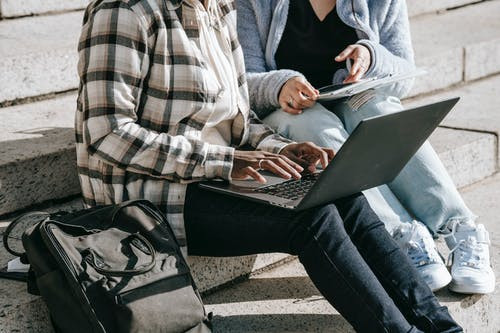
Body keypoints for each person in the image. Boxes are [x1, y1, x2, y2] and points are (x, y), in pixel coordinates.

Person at [75, 0, 463, 331]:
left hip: (219, 175)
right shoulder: (123, 11)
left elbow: (240, 119)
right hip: (150, 196)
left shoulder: (218, 9)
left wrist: (282, 148)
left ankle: (443, 326)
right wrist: (226, 161)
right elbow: (107, 134)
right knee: (313, 218)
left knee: (340, 191)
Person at [236, 0, 495, 294]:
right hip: (289, 110)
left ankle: (460, 227)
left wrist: (372, 57)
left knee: (381, 109)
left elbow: (404, 76)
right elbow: (241, 80)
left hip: (353, 98)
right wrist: (280, 85)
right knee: (316, 128)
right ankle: (400, 234)